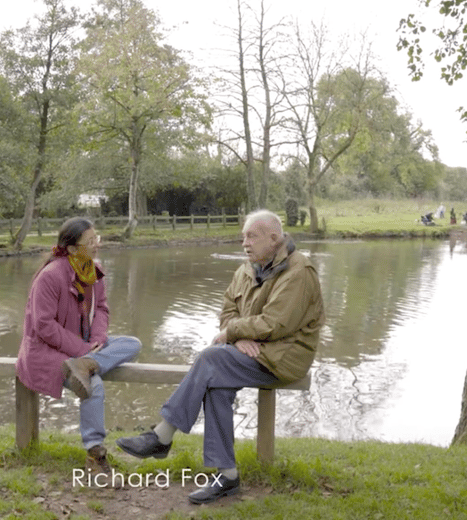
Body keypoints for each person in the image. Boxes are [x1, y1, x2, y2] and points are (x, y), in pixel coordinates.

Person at [116, 209, 325, 504]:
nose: (245, 243)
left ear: (274, 238)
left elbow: (276, 324)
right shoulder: (247, 269)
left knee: (210, 358)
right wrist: (237, 336)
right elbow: (227, 311)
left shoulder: (299, 271)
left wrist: (233, 333)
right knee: (216, 384)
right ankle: (227, 475)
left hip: (284, 357)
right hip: (250, 353)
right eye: (243, 237)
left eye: (252, 236)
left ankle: (162, 435)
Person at [16, 217, 141, 477]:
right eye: (91, 241)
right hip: (46, 351)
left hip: (82, 346)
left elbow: (103, 308)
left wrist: (96, 339)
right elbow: (43, 326)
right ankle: (95, 454)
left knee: (132, 343)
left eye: (98, 238)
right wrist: (82, 348)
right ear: (72, 249)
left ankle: (87, 365)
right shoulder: (50, 276)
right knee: (94, 386)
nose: (97, 245)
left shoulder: (93, 269)